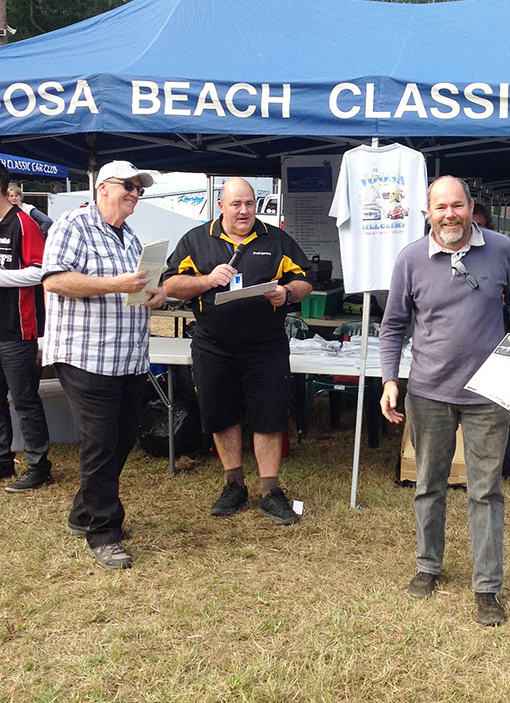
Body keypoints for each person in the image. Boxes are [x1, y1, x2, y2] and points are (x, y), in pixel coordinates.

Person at [379, 175, 510, 627]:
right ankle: (428, 565)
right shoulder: (410, 259)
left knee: (486, 490)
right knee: (429, 484)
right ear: (428, 212)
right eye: (440, 207)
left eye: (457, 205)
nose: (449, 215)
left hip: (488, 391)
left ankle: (487, 587)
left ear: (471, 206)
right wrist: (390, 380)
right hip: (429, 392)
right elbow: (392, 327)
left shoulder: (501, 249)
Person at [162, 177, 313, 523]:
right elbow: (170, 284)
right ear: (221, 206)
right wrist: (206, 280)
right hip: (213, 346)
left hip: (265, 346)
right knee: (221, 414)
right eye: (236, 204)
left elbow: (305, 281)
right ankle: (234, 484)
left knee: (269, 414)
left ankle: (270, 491)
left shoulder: (275, 239)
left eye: (249, 203)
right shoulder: (197, 239)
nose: (244, 211)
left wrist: (287, 293)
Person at [42, 161, 166, 570]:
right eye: (128, 185)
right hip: (86, 355)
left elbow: (136, 290)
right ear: (103, 188)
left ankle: (83, 513)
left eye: (139, 189)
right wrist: (117, 284)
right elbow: (55, 280)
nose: (134, 193)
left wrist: (154, 294)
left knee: (123, 438)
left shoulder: (130, 237)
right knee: (100, 443)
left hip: (127, 358)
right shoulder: (73, 225)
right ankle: (103, 533)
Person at [0, 163, 52, 491]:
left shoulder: (23, 222)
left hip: (18, 327)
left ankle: (38, 465)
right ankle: (3, 460)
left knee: (24, 399)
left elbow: (41, 271)